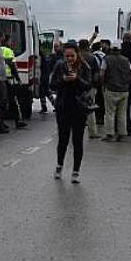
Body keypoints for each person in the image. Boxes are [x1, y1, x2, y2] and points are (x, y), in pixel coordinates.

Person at [50, 42, 92, 183]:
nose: (69, 59)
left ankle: (76, 171)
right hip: (63, 107)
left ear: (77, 54)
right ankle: (59, 165)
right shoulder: (59, 66)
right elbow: (52, 85)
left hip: (79, 108)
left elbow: (88, 85)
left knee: (77, 141)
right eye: (66, 56)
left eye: (72, 56)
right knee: (63, 139)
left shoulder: (84, 66)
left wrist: (76, 79)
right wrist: (63, 79)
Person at [100, 40, 131, 142]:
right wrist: (126, 83)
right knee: (122, 113)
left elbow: (102, 73)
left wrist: (103, 84)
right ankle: (121, 133)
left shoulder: (106, 59)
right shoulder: (126, 60)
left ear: (111, 49)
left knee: (110, 113)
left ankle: (110, 134)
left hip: (111, 89)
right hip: (124, 90)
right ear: (120, 49)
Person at [1, 36, 27, 129]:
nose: (12, 42)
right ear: (7, 41)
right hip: (8, 79)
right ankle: (18, 121)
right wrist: (18, 79)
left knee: (2, 101)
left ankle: (0, 121)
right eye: (10, 40)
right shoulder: (8, 51)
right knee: (13, 101)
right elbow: (12, 67)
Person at [79, 39, 101, 138]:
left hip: (76, 87)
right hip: (89, 87)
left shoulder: (75, 56)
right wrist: (95, 86)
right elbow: (96, 74)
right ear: (88, 46)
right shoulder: (92, 58)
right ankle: (92, 133)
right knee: (90, 109)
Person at [91, 42, 106, 136]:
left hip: (95, 82)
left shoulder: (92, 56)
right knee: (102, 100)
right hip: (103, 82)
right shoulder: (105, 56)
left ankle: (96, 117)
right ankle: (101, 117)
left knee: (95, 100)